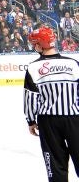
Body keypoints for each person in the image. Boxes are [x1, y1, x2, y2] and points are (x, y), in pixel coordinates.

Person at [24, 26, 79, 182]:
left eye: (35, 44)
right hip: (75, 119)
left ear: (40, 44)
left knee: (55, 163)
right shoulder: (74, 63)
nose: (34, 47)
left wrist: (31, 121)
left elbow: (30, 97)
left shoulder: (33, 67)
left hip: (48, 121)